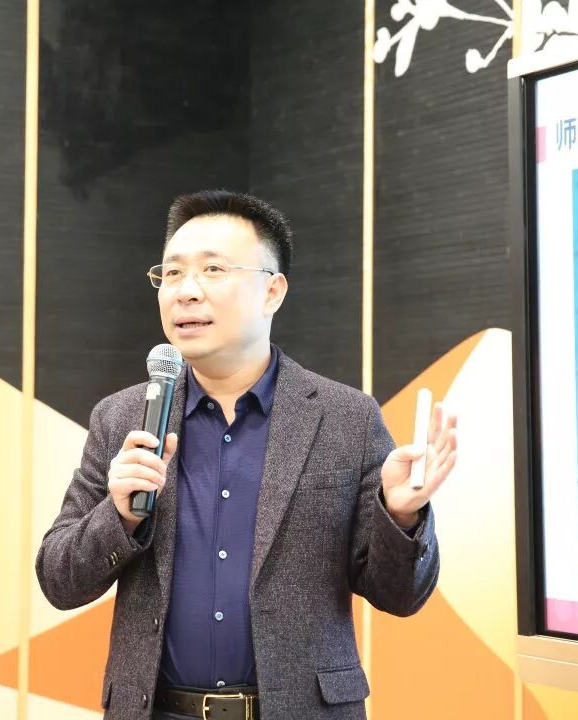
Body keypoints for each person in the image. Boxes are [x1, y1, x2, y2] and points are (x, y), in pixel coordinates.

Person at [35, 190, 457, 720]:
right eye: (172, 273)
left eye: (213, 270)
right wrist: (118, 516)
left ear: (272, 291)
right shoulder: (122, 419)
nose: (186, 291)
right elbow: (59, 580)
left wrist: (400, 516)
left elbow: (400, 596)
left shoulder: (345, 418)